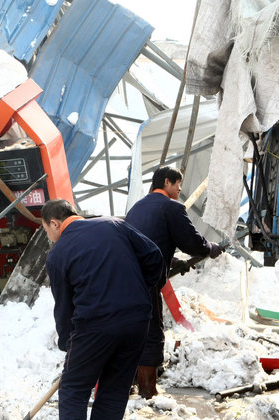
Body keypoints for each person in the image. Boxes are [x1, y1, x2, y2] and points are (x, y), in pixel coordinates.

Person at [41, 199, 164, 420]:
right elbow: (154, 256)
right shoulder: (113, 224)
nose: (48, 236)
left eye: (46, 230)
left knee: (74, 389)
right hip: (137, 320)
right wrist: (139, 290)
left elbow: (64, 306)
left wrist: (67, 342)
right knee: (114, 391)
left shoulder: (57, 254)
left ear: (54, 223)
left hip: (95, 324)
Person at [125, 165, 224, 399]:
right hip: (145, 282)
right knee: (151, 332)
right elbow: (192, 242)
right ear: (167, 183)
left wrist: (172, 259)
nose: (180, 189)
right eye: (178, 184)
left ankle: (127, 384)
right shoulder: (171, 207)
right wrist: (210, 248)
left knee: (130, 331)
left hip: (124, 279)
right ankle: (148, 391)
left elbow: (149, 240)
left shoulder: (136, 208)